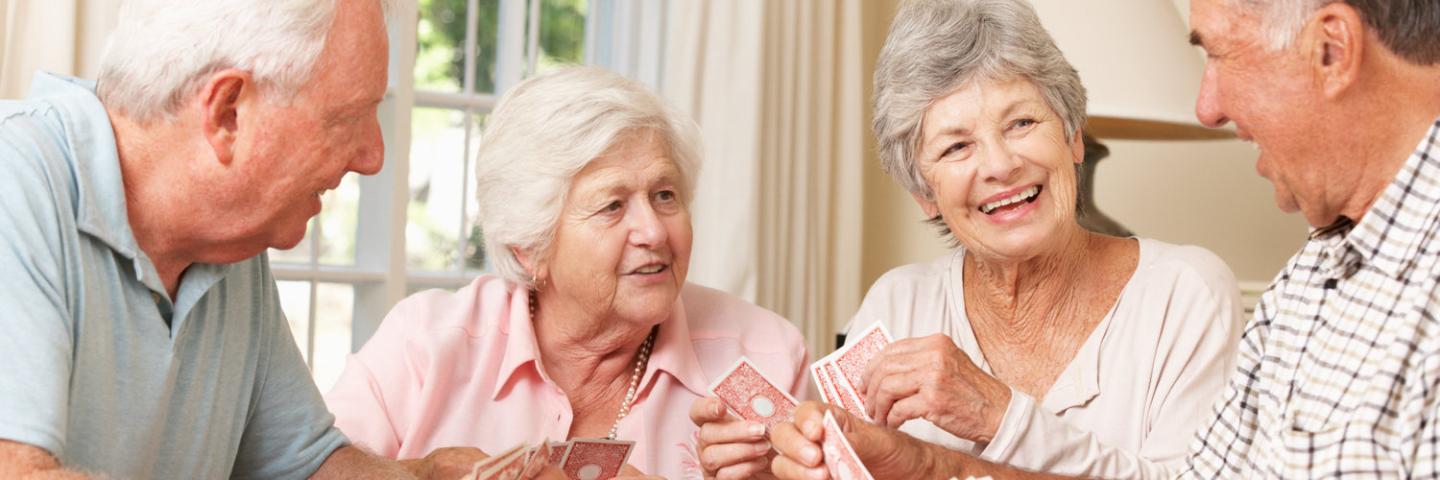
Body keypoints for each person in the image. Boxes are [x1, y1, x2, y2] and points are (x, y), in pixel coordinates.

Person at [773, 0, 1440, 478]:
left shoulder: (1190, 290)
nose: (1205, 106)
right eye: (955, 146)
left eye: (1023, 122)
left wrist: (975, 434)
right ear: (923, 190)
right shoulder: (1309, 283)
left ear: (1073, 137)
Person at [0, 0, 467, 478]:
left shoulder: (226, 245)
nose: (372, 157)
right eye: (346, 119)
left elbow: (303, 467)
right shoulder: (13, 182)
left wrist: (427, 476)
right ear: (228, 113)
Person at [324, 66, 809, 480]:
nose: (654, 232)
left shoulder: (767, 355)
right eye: (612, 206)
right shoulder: (424, 348)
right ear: (530, 247)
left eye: (665, 195)